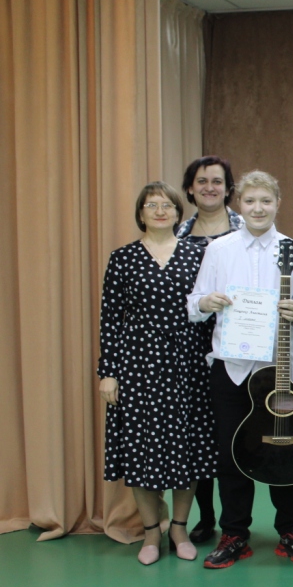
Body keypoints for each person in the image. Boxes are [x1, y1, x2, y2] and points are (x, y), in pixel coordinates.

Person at [188, 170, 293, 569]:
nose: (258, 208)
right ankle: (234, 533)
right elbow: (194, 302)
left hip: (280, 370)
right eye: (250, 201)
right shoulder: (219, 250)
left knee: (287, 450)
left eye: (266, 201)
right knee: (232, 454)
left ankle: (291, 530)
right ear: (238, 205)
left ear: (278, 204)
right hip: (231, 369)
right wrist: (206, 303)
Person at [98, 181, 215, 565]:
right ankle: (151, 532)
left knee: (187, 447)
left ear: (179, 212)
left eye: (167, 205)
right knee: (140, 449)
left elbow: (210, 310)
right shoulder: (123, 258)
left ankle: (179, 528)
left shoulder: (199, 253)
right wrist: (108, 372)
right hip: (138, 366)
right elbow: (110, 320)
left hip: (188, 364)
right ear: (141, 214)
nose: (160, 211)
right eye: (152, 205)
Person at [176, 155, 243, 545]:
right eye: (201, 181)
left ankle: (238, 519)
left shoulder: (246, 228)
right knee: (198, 427)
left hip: (235, 342)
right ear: (190, 188)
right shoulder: (177, 233)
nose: (209, 188)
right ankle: (204, 516)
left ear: (228, 188)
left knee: (230, 430)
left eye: (217, 181)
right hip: (189, 341)